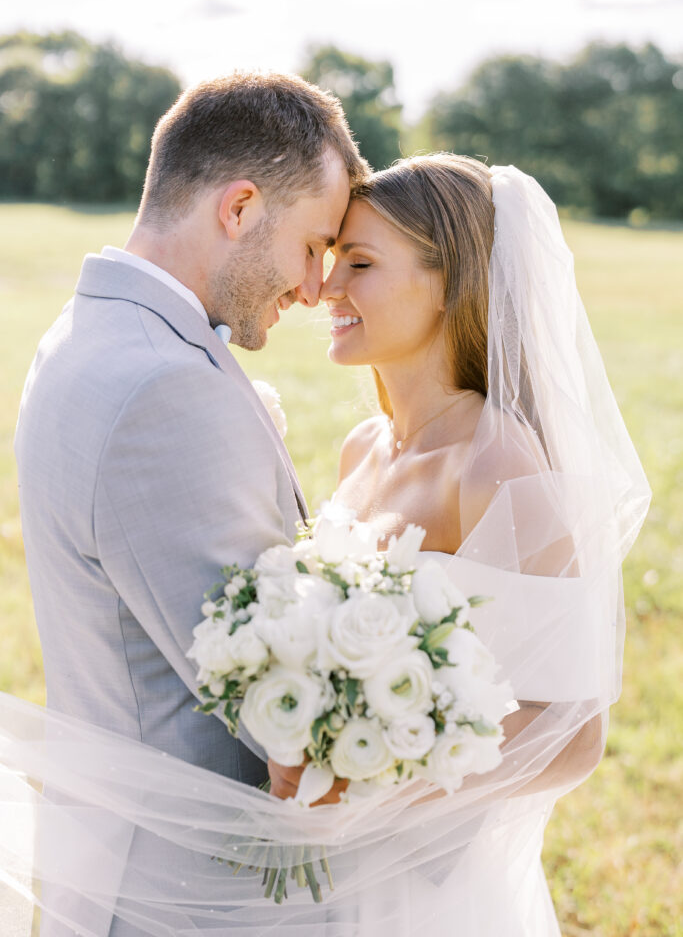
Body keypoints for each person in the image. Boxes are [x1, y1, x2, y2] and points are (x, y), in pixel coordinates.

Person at [1, 152, 649, 937]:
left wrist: (373, 778)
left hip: (422, 887)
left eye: (360, 265)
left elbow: (573, 734)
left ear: (449, 285)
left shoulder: (497, 463)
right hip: (328, 876)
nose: (325, 289)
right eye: (331, 258)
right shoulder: (360, 448)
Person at [10, 71, 367, 936]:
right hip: (190, 895)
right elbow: (257, 698)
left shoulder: (86, 332)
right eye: (314, 245)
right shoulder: (163, 385)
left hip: (117, 861)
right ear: (240, 207)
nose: (317, 288)